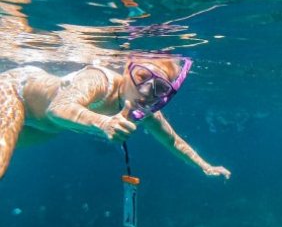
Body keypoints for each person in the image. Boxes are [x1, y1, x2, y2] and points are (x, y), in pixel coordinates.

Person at [0, 57, 231, 180]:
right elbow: (58, 108)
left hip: (44, 128)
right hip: (16, 91)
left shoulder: (146, 111)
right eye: (142, 76)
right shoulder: (100, 80)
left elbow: (172, 141)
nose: (146, 90)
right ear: (126, 70)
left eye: (159, 87)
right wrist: (104, 122)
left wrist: (205, 166)